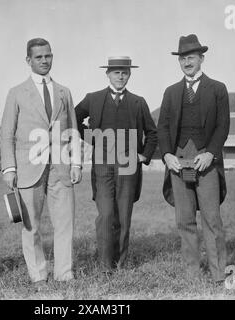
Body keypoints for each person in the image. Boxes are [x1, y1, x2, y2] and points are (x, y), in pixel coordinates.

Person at [0, 38, 81, 288]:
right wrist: (9, 167)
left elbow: (73, 130)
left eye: (48, 56)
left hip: (60, 167)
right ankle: (38, 276)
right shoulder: (16, 93)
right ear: (28, 60)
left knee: (65, 223)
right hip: (27, 167)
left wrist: (76, 164)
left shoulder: (64, 92)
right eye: (38, 57)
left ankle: (64, 274)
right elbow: (7, 133)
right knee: (31, 225)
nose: (44, 60)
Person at [157, 34, 230, 283]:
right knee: (185, 220)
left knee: (212, 219)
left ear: (201, 58)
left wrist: (210, 153)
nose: (187, 62)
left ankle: (220, 273)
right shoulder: (171, 92)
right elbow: (163, 127)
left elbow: (223, 126)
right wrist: (167, 155)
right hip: (179, 162)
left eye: (191, 57)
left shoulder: (218, 89)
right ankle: (192, 273)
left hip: (206, 162)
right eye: (182, 58)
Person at [75, 56, 157, 272]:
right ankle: (104, 266)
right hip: (102, 164)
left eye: (125, 72)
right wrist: (93, 138)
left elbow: (152, 133)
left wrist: (144, 155)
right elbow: (74, 118)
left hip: (129, 164)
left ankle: (120, 264)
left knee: (123, 215)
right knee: (105, 215)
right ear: (108, 74)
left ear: (129, 75)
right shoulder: (93, 99)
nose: (120, 76)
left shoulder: (138, 102)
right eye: (116, 72)